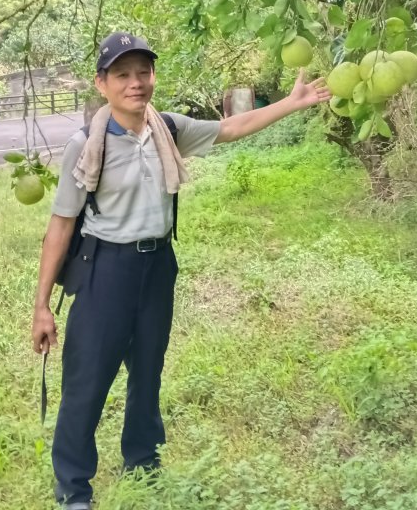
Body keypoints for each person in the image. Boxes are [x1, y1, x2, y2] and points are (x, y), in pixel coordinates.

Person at [31, 32, 330, 509]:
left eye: (143, 72)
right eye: (123, 75)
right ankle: (73, 488)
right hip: (104, 269)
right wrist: (42, 306)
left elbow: (230, 128)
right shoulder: (86, 145)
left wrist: (293, 104)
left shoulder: (167, 129)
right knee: (87, 380)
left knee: (148, 371)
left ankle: (143, 463)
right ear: (102, 83)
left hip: (157, 268)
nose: (136, 83)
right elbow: (60, 227)